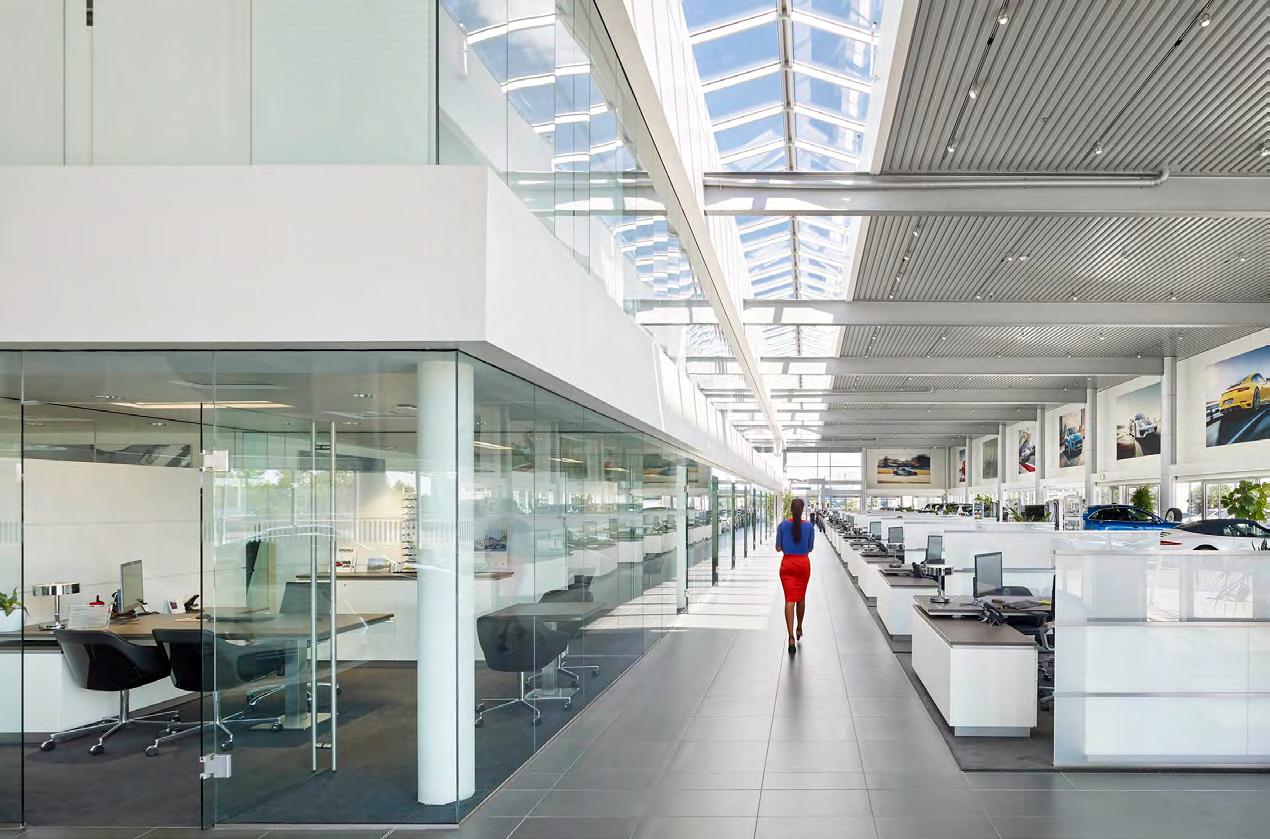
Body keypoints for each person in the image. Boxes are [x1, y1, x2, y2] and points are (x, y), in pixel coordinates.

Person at [775, 497, 814, 654]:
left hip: (788, 565)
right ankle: (799, 628)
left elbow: (778, 547)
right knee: (801, 598)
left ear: (790, 509)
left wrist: (787, 546)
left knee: (789, 600)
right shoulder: (809, 526)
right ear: (802, 510)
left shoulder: (782, 525)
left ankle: (791, 637)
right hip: (803, 565)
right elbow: (810, 548)